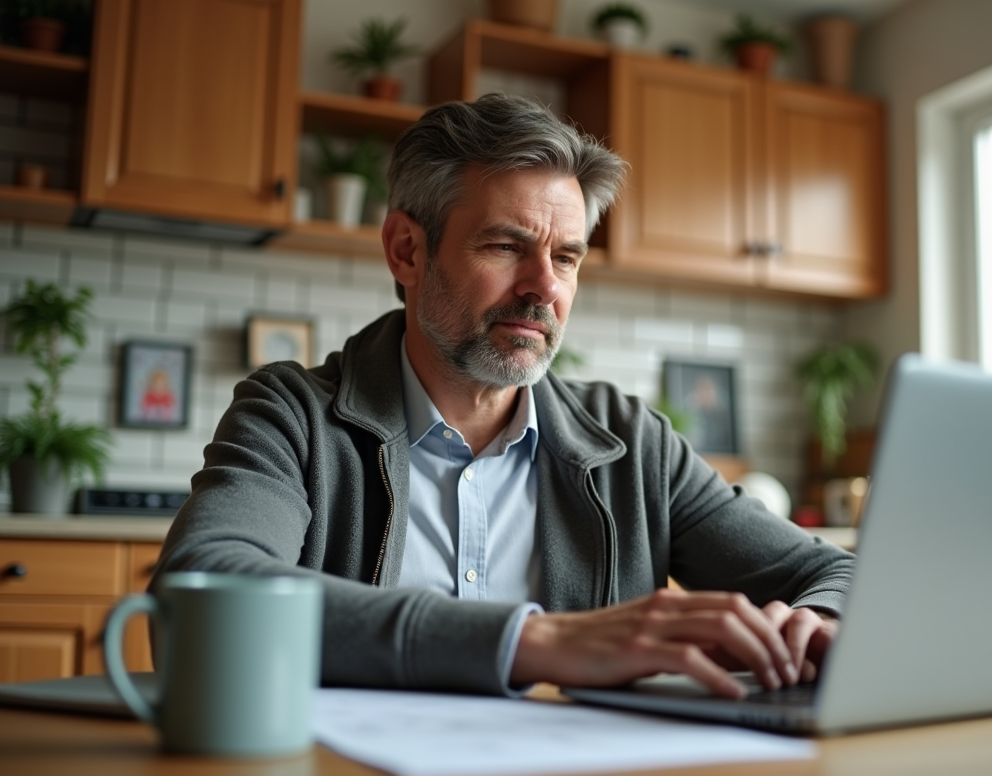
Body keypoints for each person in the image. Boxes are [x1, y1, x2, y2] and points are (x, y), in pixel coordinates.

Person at [155, 94, 854, 699]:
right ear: (406, 249)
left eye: (567, 257)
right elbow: (205, 590)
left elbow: (834, 572)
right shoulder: (291, 416)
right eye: (504, 246)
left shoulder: (632, 441)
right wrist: (539, 642)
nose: (544, 287)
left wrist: (813, 627)